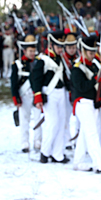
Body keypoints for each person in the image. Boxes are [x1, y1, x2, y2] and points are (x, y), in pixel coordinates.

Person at [71, 36, 101, 173]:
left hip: (93, 103)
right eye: (89, 52)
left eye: (94, 51)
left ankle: (78, 162)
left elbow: (100, 85)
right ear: (83, 51)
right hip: (82, 103)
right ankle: (98, 163)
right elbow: (81, 87)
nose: (92, 54)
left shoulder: (95, 65)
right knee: (92, 132)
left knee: (85, 133)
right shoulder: (77, 68)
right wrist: (95, 79)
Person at [30, 30, 70, 164]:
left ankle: (58, 154)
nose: (60, 49)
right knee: (52, 123)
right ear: (51, 45)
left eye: (61, 47)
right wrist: (38, 97)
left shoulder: (60, 59)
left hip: (61, 92)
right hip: (49, 93)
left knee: (61, 123)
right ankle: (44, 152)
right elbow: (36, 79)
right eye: (58, 46)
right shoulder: (42, 59)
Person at [11, 34, 41, 153]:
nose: (32, 53)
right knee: (24, 120)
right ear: (24, 51)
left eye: (33, 51)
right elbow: (14, 83)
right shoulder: (17, 64)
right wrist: (16, 99)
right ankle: (25, 143)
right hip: (24, 95)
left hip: (36, 94)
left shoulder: (38, 63)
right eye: (30, 51)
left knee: (38, 118)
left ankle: (38, 141)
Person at [61, 32, 78, 149]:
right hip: (66, 91)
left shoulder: (79, 58)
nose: (71, 50)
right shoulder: (63, 59)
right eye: (69, 47)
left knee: (79, 118)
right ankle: (66, 140)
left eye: (73, 47)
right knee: (65, 117)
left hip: (77, 91)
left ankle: (77, 140)